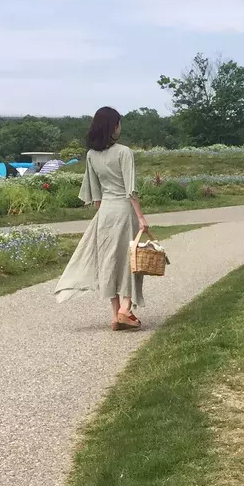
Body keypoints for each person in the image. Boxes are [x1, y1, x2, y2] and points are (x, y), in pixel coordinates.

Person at [54, 106, 150, 331]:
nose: (120, 128)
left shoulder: (91, 155)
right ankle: (126, 308)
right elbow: (131, 190)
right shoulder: (124, 152)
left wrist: (101, 214)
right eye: (119, 124)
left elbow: (94, 193)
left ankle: (115, 314)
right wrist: (141, 217)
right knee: (130, 261)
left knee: (109, 261)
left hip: (105, 212)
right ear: (113, 126)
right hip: (124, 211)